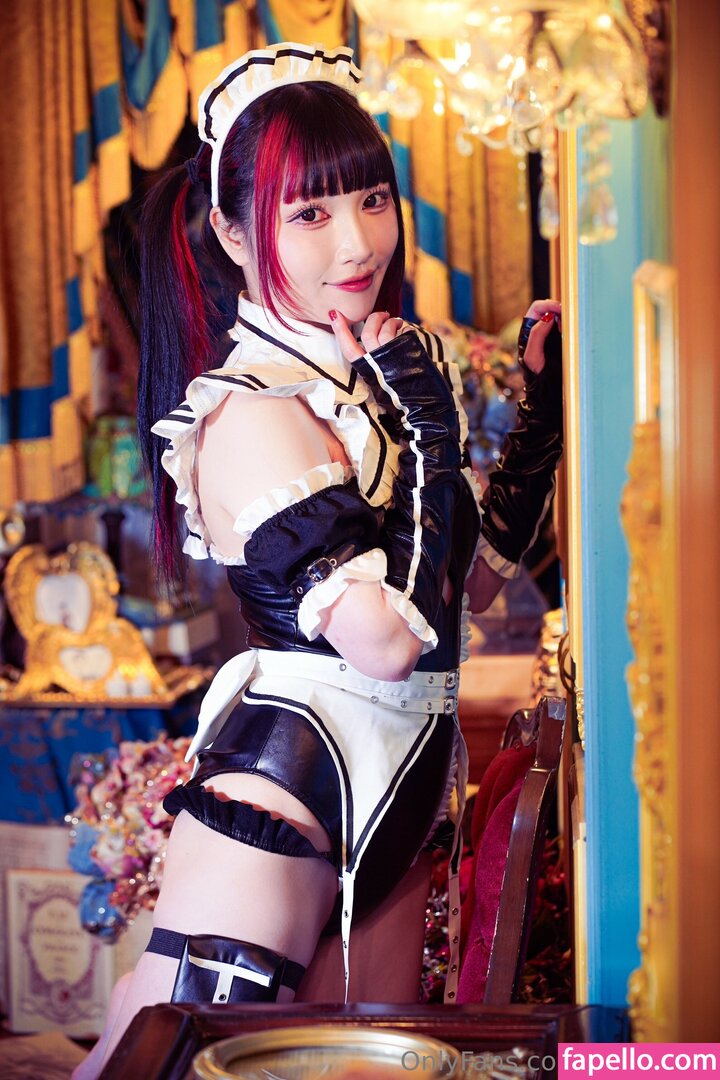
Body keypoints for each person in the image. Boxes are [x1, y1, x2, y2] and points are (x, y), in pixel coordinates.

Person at [74, 42, 563, 1079]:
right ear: (232, 234)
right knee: (173, 1062)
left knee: (368, 1069)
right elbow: (387, 641)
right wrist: (430, 430)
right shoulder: (251, 411)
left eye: (372, 200)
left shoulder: (378, 373)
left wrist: (543, 419)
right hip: (284, 799)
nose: (356, 242)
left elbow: (470, 584)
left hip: (400, 793)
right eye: (308, 214)